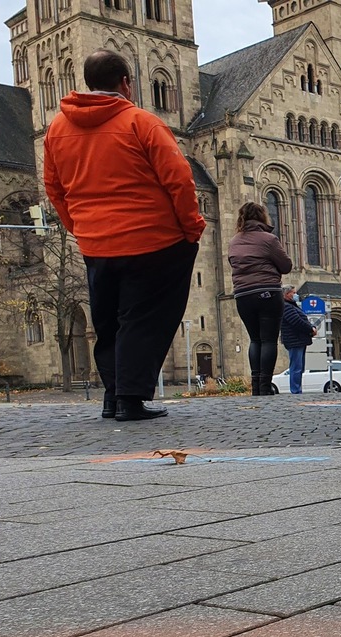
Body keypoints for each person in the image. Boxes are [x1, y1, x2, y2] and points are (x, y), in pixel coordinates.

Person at [43, 49, 204, 422]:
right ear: (126, 83)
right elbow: (179, 179)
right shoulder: (141, 122)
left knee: (109, 320)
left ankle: (113, 396)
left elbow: (55, 189)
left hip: (96, 244)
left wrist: (80, 227)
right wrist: (191, 227)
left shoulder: (57, 130)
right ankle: (130, 399)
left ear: (88, 82)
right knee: (145, 318)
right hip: (152, 241)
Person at [229, 201, 292, 396]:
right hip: (267, 293)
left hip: (243, 295)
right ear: (262, 217)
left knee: (254, 340)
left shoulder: (234, 242)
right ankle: (265, 386)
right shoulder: (269, 239)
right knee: (268, 340)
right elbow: (286, 266)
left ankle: (255, 386)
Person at [279, 286, 315, 394]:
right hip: (294, 340)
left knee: (299, 367)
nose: (296, 295)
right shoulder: (286, 306)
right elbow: (297, 321)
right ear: (286, 294)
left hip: (299, 340)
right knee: (296, 367)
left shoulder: (291, 306)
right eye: (293, 293)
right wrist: (310, 329)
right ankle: (295, 390)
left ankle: (297, 389)